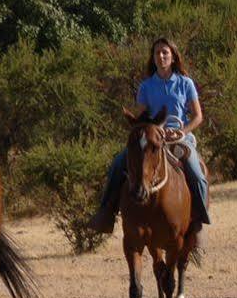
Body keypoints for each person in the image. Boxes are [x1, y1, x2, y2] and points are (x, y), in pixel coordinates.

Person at [90, 38, 211, 235]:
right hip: (152, 137)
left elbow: (198, 116)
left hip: (179, 137)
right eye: (157, 53)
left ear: (173, 57)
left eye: (165, 52)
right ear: (153, 58)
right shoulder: (146, 86)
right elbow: (143, 118)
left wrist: (183, 131)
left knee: (196, 172)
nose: (161, 56)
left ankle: (198, 218)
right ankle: (105, 214)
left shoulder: (185, 83)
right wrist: (151, 129)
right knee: (118, 163)